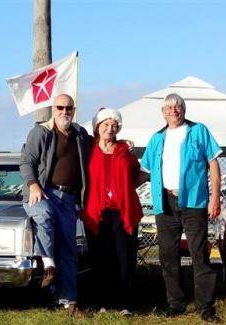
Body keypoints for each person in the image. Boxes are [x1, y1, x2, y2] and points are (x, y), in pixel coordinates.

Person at [140, 93, 222, 322]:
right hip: (165, 202)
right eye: (168, 108)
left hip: (194, 201)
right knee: (168, 255)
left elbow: (213, 165)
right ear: (163, 112)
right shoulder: (157, 138)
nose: (173, 111)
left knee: (199, 254)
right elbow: (143, 172)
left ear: (184, 110)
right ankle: (175, 303)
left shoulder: (198, 131)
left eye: (178, 107)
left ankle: (205, 306)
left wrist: (215, 197)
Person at [20, 93, 91, 317]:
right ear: (53, 109)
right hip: (43, 192)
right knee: (45, 216)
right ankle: (48, 264)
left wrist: (124, 142)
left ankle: (69, 300)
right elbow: (26, 161)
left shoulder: (80, 134)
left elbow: (99, 146)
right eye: (60, 107)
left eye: (69, 108)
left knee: (68, 250)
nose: (64, 112)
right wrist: (33, 185)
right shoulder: (41, 132)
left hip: (69, 199)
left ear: (74, 109)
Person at [82, 108, 147, 316]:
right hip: (97, 211)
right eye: (105, 125)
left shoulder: (124, 151)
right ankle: (103, 302)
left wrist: (125, 189)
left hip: (123, 211)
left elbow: (140, 174)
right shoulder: (88, 149)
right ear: (97, 127)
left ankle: (124, 303)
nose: (110, 129)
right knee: (101, 256)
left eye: (114, 126)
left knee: (124, 256)